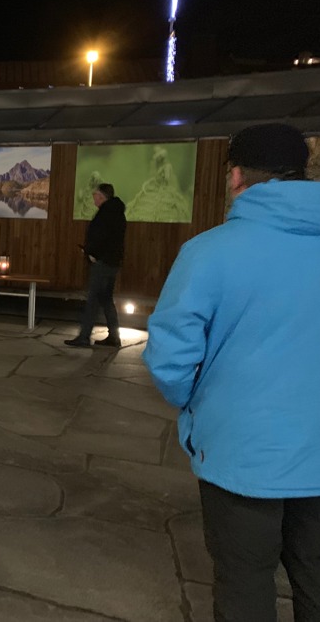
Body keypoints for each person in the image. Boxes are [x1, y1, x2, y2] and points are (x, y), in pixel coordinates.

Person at [143, 123, 320, 622]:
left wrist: (193, 402)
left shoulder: (210, 251)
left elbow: (170, 357)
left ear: (236, 176)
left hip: (242, 454)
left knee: (244, 584)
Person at [64, 182, 126, 348]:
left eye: (95, 196)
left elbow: (100, 238)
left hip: (102, 262)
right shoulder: (118, 213)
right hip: (113, 262)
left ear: (102, 196)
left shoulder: (105, 213)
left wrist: (91, 252)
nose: (93, 199)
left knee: (93, 299)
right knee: (106, 299)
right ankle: (114, 336)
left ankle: (84, 336)